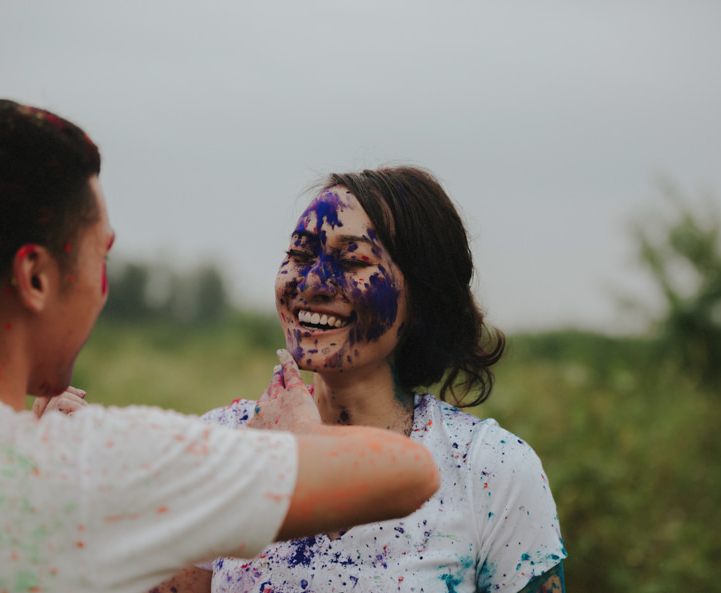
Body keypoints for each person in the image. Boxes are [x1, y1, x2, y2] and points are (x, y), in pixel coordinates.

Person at [0, 99, 441, 593]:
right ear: (35, 279)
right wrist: (292, 446)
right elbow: (411, 472)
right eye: (98, 256)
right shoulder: (87, 462)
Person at [160, 167, 567, 592]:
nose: (312, 281)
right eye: (299, 255)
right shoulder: (218, 444)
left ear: (422, 298)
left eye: (352, 260)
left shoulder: (489, 471)